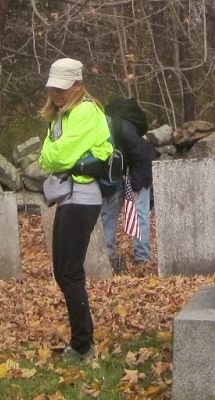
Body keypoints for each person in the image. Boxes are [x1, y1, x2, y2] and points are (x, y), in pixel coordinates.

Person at [37, 58, 112, 361]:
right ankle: (82, 340)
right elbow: (47, 157)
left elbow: (57, 156)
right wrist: (54, 154)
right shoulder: (61, 117)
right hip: (69, 198)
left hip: (82, 197)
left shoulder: (84, 112)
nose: (56, 92)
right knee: (63, 271)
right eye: (53, 87)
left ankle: (83, 344)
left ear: (79, 86)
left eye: (63, 87)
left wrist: (54, 154)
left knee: (69, 272)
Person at [99, 97, 159, 273]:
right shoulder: (103, 129)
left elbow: (143, 156)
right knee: (107, 212)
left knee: (139, 213)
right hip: (115, 174)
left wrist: (136, 186)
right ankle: (108, 256)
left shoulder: (123, 127)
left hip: (137, 171)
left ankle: (142, 258)